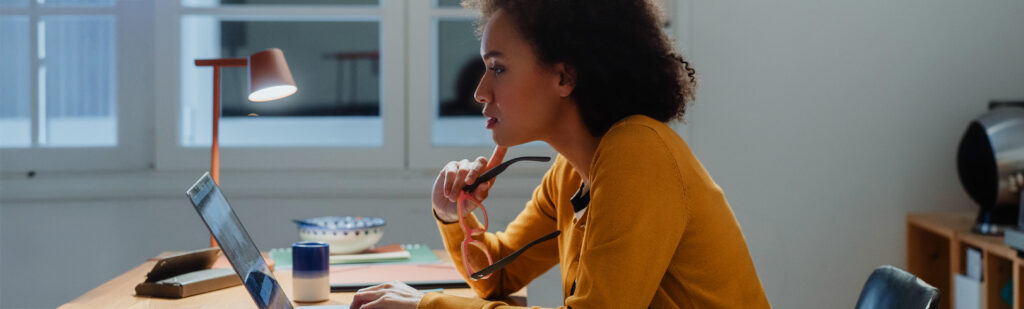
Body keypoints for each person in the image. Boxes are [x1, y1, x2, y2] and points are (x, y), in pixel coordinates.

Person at [350, 0, 770, 308]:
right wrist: (452, 214)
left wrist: (425, 306)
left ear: (564, 76)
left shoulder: (638, 152)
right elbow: (497, 275)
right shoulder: (572, 171)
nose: (480, 91)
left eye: (498, 68)